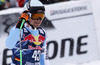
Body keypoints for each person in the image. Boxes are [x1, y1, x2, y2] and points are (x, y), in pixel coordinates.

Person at [6, 0, 50, 65]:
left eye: (41, 16)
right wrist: (19, 24)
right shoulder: (20, 30)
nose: (38, 20)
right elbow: (9, 45)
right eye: (35, 16)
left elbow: (44, 58)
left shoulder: (43, 33)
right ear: (27, 16)